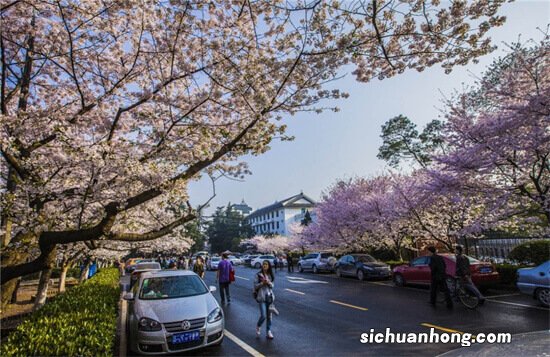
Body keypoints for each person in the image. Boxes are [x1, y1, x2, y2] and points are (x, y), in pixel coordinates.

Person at [254, 260, 275, 339]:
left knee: (269, 316)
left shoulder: (270, 275)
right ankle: (258, 325)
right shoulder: (258, 275)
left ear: (269, 266)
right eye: (263, 264)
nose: (264, 265)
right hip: (261, 297)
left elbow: (272, 286)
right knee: (263, 315)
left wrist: (268, 283)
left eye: (266, 264)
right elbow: (255, 286)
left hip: (269, 297)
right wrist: (262, 283)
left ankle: (268, 331)